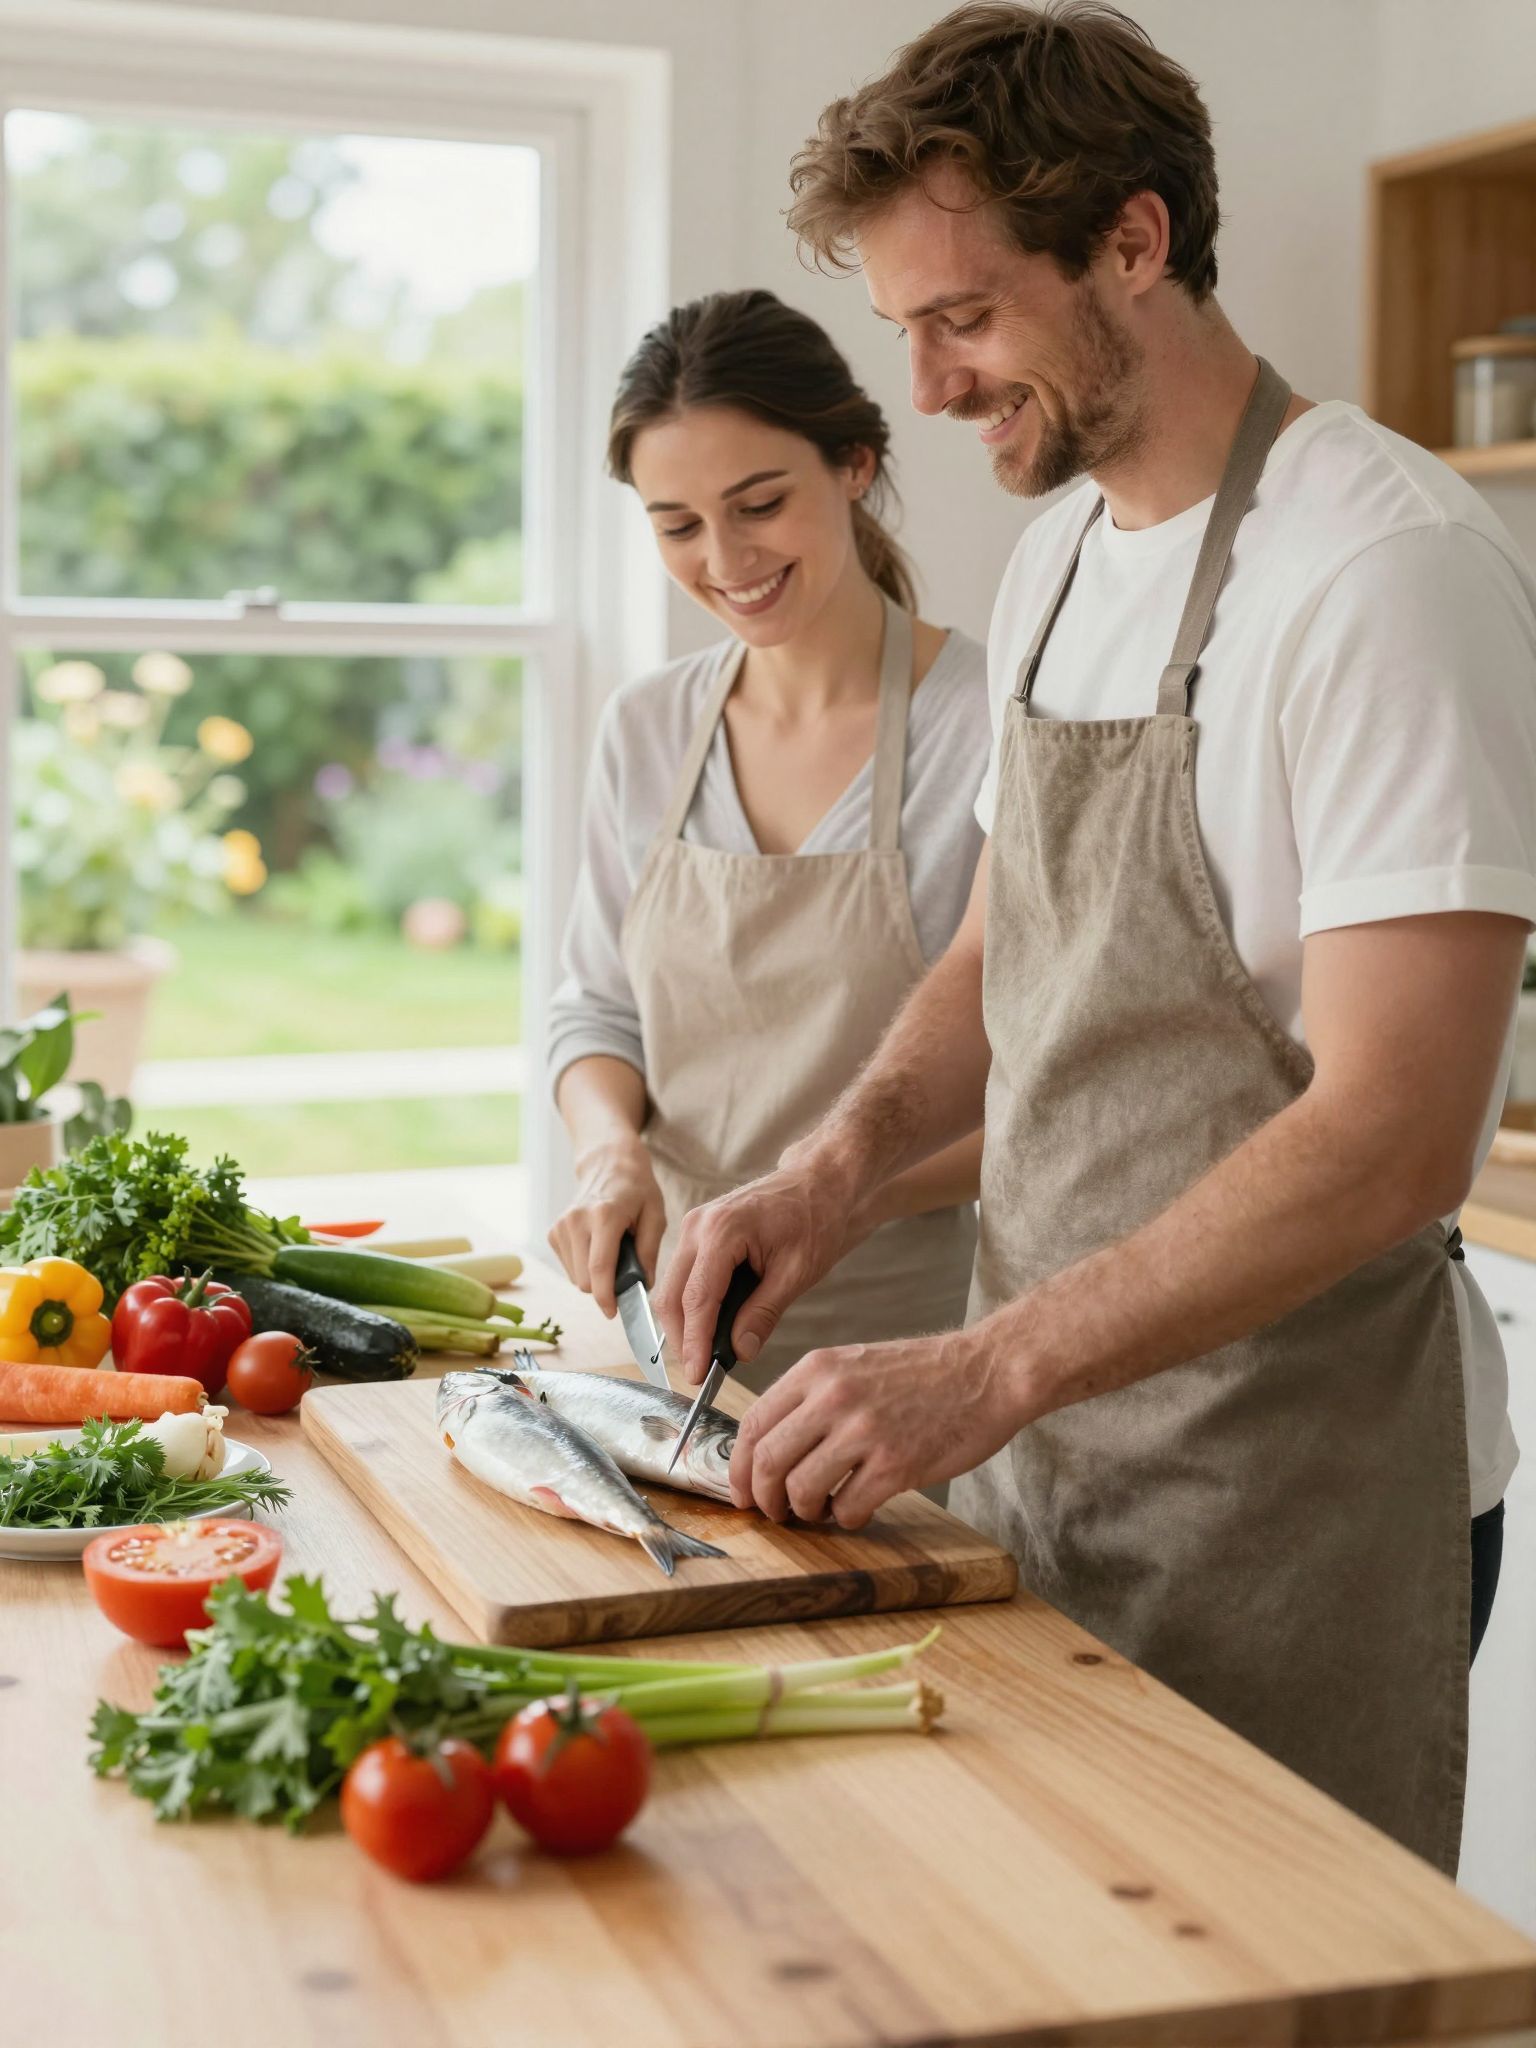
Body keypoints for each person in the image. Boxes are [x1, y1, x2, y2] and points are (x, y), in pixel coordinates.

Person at [654, 2, 1536, 1872]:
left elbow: (1397, 1134)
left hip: (1294, 1482)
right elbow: (1006, 943)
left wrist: (981, 1367)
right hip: (1054, 1444)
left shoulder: (1381, 570)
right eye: (903, 326)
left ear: (1133, 244)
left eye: (963, 318)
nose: (930, 383)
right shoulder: (1060, 551)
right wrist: (833, 1173)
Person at [547, 288, 991, 1388]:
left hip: (909, 1343)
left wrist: (836, 1194)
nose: (725, 558)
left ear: (852, 463)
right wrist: (609, 1153)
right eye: (678, 524)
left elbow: (1043, 1075)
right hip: (665, 1336)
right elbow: (597, 1009)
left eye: (759, 503)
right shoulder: (647, 727)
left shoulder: (992, 721)